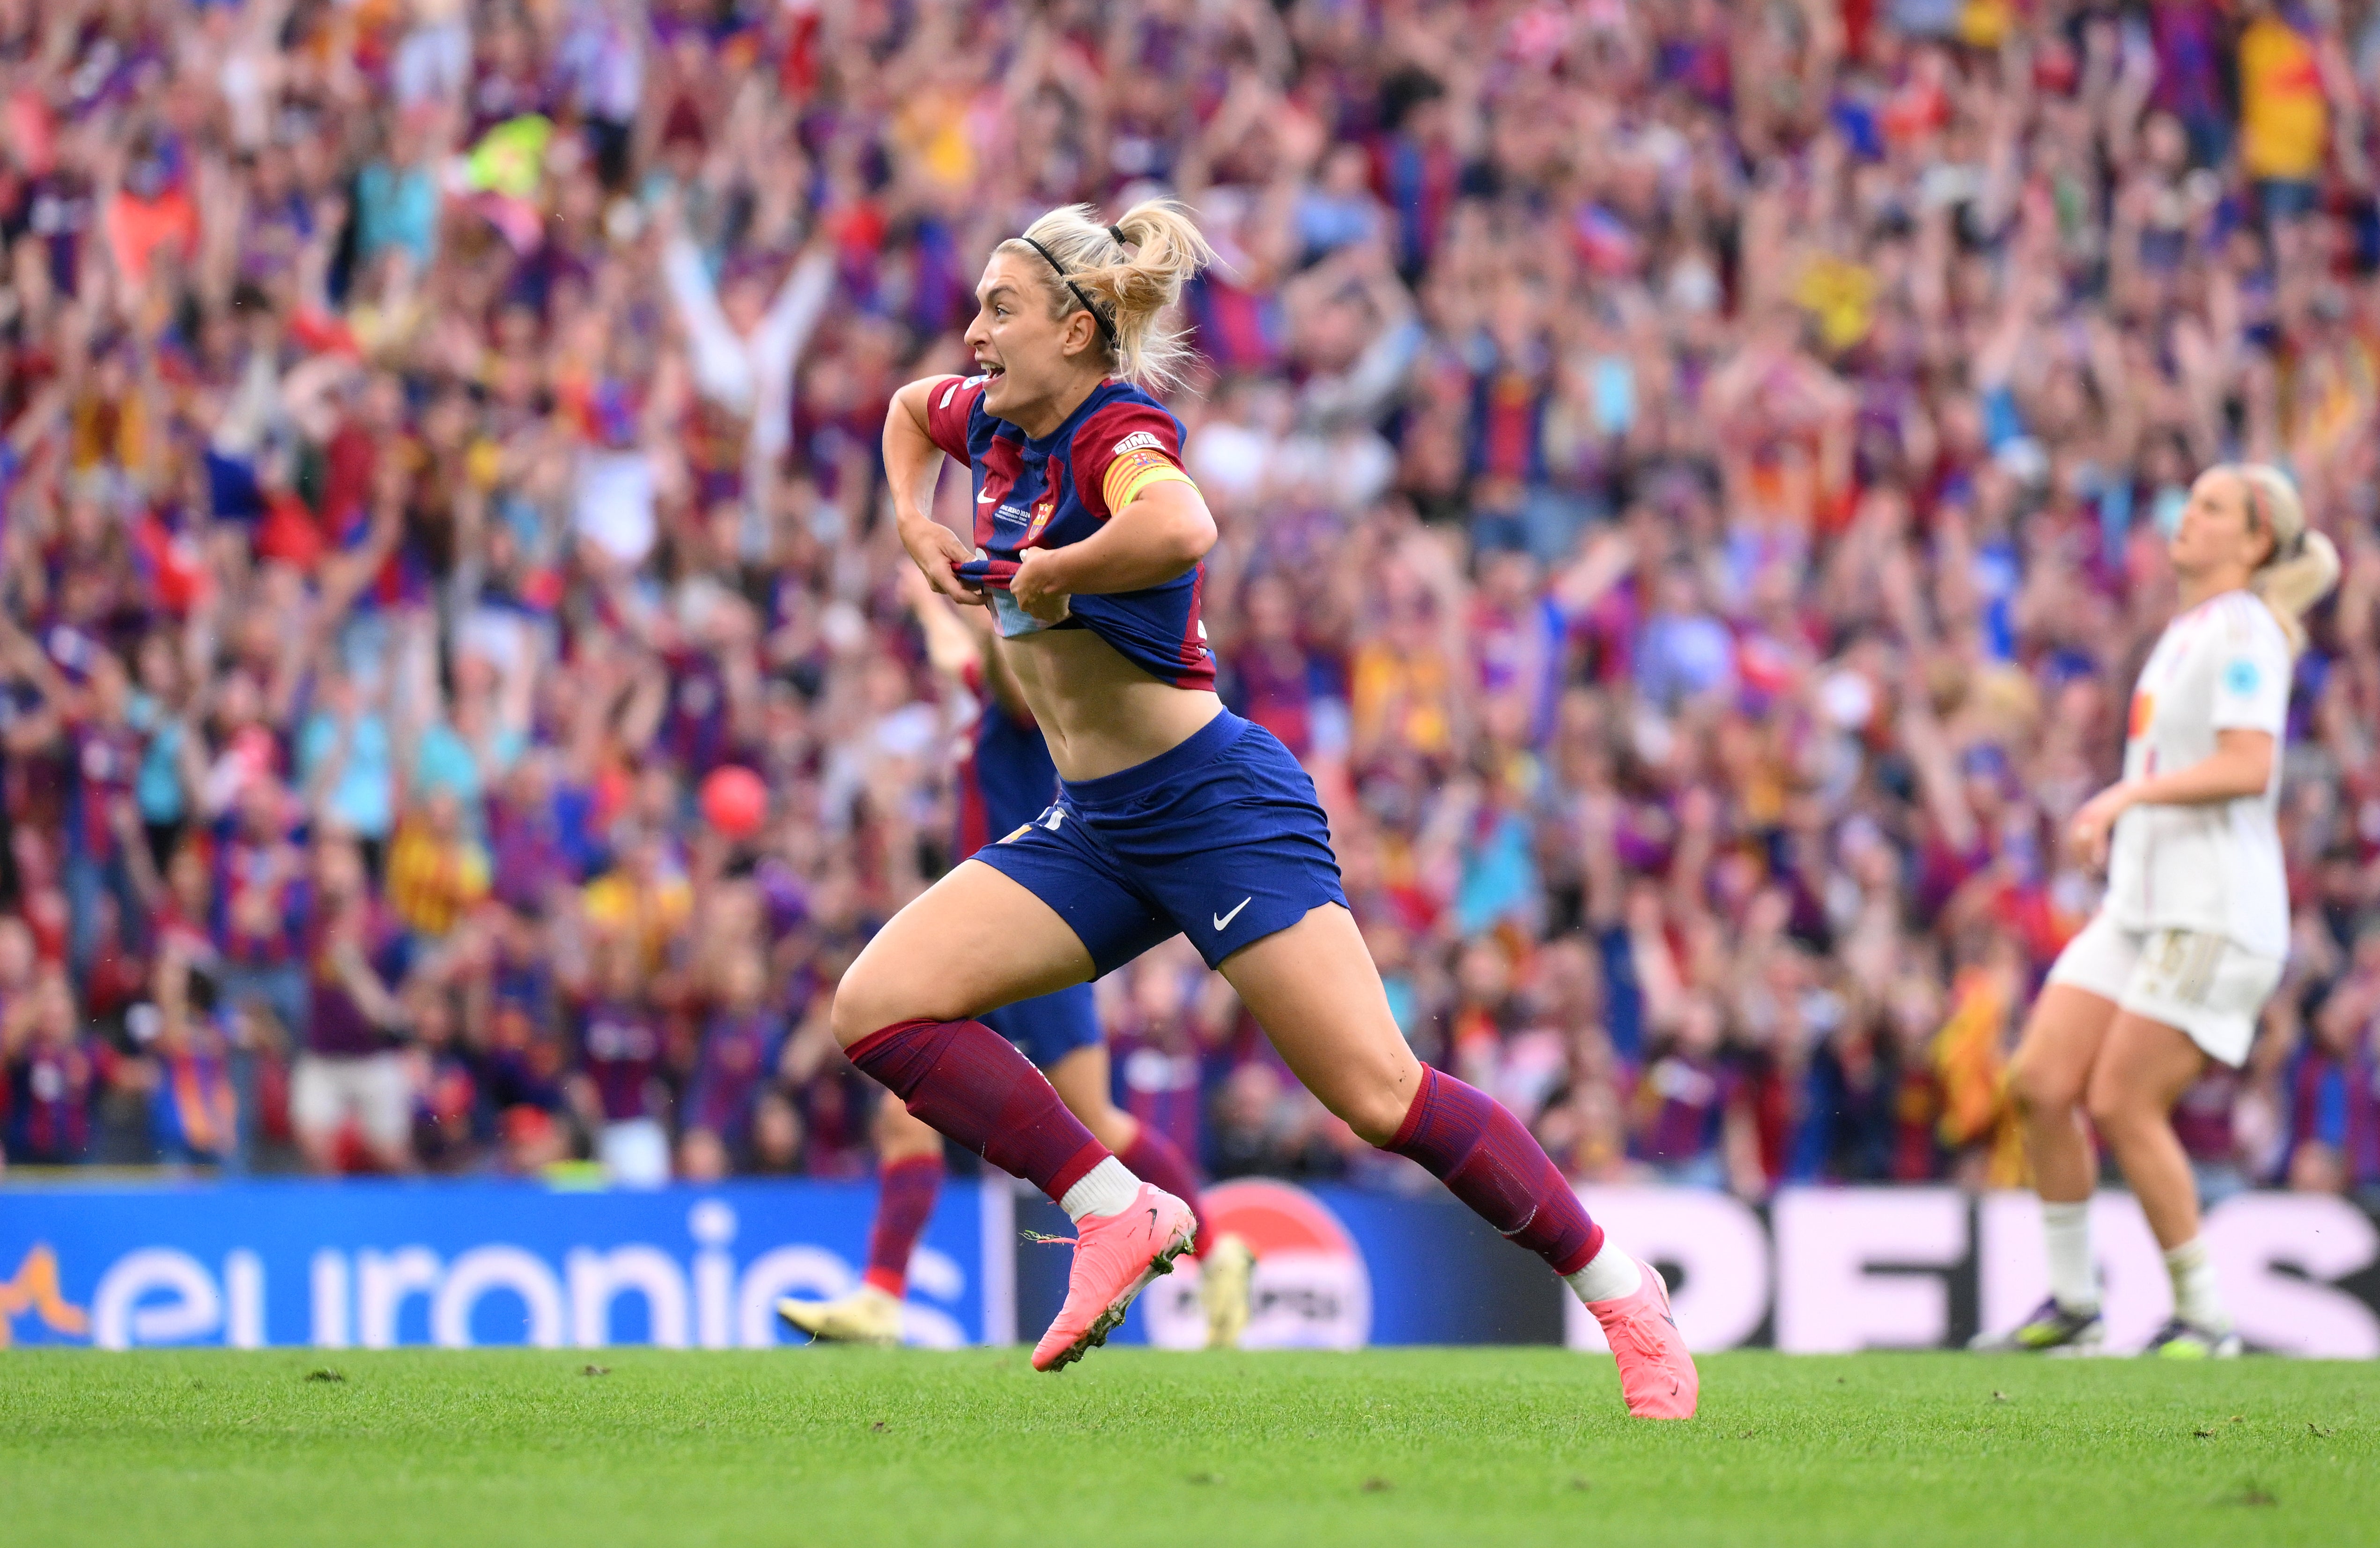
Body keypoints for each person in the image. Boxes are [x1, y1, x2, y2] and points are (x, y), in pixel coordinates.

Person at [832, 199, 1693, 1415]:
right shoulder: (999, 420)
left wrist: (1060, 575)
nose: (973, 331)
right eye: (976, 306)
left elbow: (1184, 520)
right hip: (1097, 823)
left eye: (1001, 309)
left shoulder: (1111, 432)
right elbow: (907, 412)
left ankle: (1619, 1290)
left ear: (1078, 332)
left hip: (1214, 805)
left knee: (1381, 1095)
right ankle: (1115, 1210)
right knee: (877, 1008)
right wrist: (914, 524)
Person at [781, 572, 1254, 1349]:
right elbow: (951, 659)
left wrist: (982, 607)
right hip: (977, 932)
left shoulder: (1024, 692)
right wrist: (927, 597)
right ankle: (880, 1295)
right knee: (905, 1107)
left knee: (1093, 1118)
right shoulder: (980, 685)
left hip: (1025, 924)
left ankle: (1215, 1244)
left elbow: (999, 674)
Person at [1978, 465, 2340, 1358]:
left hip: (2212, 913)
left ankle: (2206, 1317)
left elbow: (2249, 766)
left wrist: (2121, 801)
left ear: (2254, 542)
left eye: (2213, 507)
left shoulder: (2247, 629)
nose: (2187, 514)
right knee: (2039, 1081)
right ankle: (2073, 1305)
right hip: (2144, 905)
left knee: (2121, 1098)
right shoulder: (2191, 629)